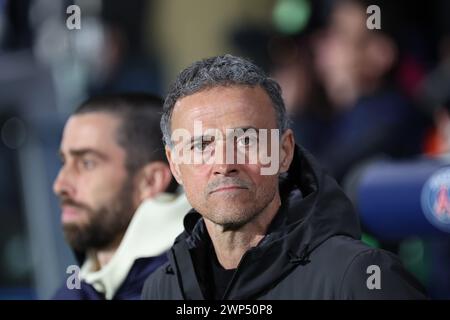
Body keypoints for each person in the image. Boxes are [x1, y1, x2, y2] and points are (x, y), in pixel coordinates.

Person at [141, 54, 426, 299]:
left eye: (247, 140)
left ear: (284, 152)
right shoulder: (161, 288)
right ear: (175, 165)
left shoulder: (358, 278)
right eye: (201, 145)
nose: (225, 164)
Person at [52, 93, 190, 299]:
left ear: (150, 181)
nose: (59, 185)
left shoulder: (199, 284)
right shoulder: (84, 286)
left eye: (87, 163)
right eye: (64, 162)